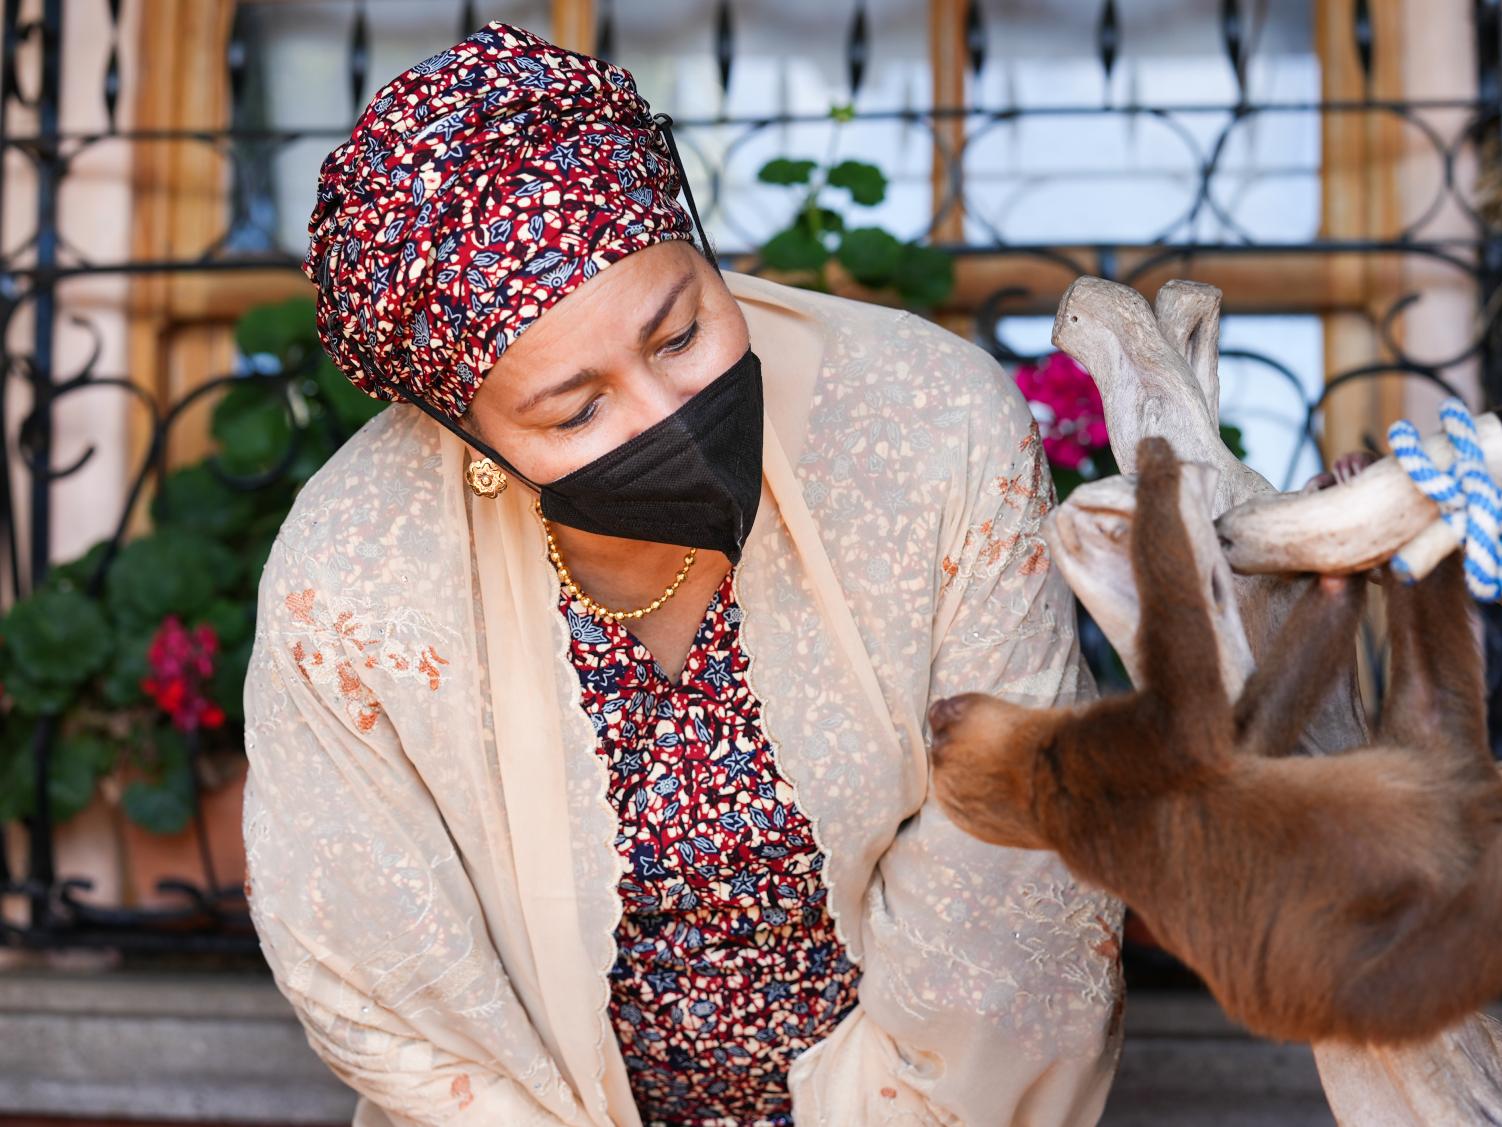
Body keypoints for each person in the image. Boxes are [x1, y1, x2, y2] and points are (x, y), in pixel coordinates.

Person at [243, 18, 1123, 1127]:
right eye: (575, 408)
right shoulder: (352, 573)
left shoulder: (928, 419)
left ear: (704, 252)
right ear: (460, 435)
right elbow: (385, 980)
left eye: (680, 334)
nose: (669, 418)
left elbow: (1015, 866)